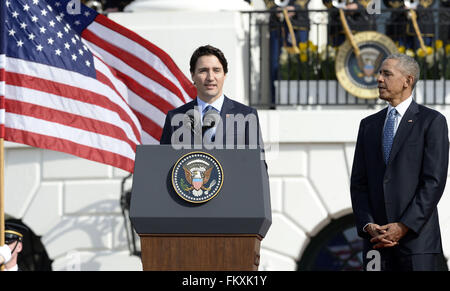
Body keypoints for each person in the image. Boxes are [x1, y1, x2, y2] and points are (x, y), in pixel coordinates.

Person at [350, 54, 449, 271]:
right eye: (380, 73)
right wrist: (368, 225)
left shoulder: (432, 122)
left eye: (387, 74)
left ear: (407, 80)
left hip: (417, 244)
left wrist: (403, 226)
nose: (379, 79)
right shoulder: (369, 125)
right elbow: (359, 184)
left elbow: (433, 182)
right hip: (376, 246)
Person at [160, 45, 264, 151]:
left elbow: (257, 165)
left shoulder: (247, 116)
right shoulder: (175, 117)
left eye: (216, 70)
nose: (210, 77)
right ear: (192, 75)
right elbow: (164, 162)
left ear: (224, 75)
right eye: (203, 71)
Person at [265, 0, 310, 108]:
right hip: (277, 24)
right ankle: (275, 100)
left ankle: (301, 99)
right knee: (275, 63)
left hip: (299, 23)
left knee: (301, 61)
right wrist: (275, 9)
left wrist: (295, 8)